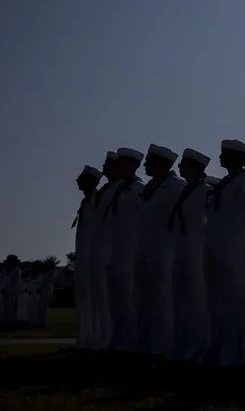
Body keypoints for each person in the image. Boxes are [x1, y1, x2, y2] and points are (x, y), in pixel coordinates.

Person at [203, 140, 245, 366]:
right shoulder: (225, 182)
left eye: (226, 154)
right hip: (216, 245)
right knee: (218, 302)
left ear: (237, 158)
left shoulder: (244, 181)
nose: (221, 158)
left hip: (234, 246)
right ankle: (219, 347)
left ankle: (236, 351)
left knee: (235, 300)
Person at [134, 144, 184, 356]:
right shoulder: (151, 187)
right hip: (146, 249)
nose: (145, 165)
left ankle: (164, 347)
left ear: (162, 164)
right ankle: (148, 345)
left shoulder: (175, 186)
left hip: (166, 249)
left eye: (149, 161)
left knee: (164, 300)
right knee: (146, 301)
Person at [171, 148, 211, 361]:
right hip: (183, 247)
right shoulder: (186, 190)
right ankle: (186, 344)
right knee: (184, 299)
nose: (180, 168)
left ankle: (199, 345)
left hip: (197, 247)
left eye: (184, 165)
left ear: (196, 168)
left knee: (197, 298)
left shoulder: (205, 191)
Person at [105, 147, 145, 351]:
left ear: (133, 166)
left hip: (131, 249)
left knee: (129, 297)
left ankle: (131, 340)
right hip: (117, 248)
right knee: (117, 297)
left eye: (123, 164)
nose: (119, 168)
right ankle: (119, 338)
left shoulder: (138, 189)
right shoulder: (120, 189)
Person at [89, 151, 119, 349]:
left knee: (114, 298)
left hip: (114, 249)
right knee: (100, 297)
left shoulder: (121, 190)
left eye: (107, 165)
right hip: (100, 248)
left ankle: (112, 339)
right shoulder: (106, 191)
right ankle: (100, 338)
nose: (103, 168)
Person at [72, 165, 103, 348]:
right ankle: (84, 339)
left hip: (94, 253)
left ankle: (96, 339)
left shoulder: (98, 199)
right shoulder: (87, 200)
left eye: (81, 178)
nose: (77, 181)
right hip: (84, 254)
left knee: (95, 298)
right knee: (83, 297)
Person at [1, 255, 21, 326]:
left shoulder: (16, 271)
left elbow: (12, 282)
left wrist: (6, 289)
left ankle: (10, 323)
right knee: (6, 307)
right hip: (7, 292)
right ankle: (7, 322)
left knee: (10, 308)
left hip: (11, 292)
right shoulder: (10, 271)